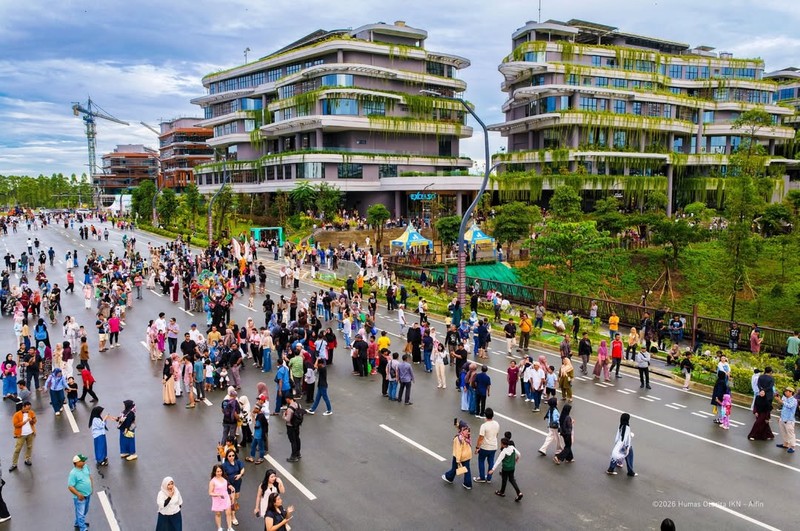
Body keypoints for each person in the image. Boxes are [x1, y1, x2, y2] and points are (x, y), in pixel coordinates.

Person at [442, 420, 473, 490]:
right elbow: (460, 427)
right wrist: (457, 424)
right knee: (467, 470)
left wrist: (458, 460)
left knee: (454, 468)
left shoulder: (458, 439)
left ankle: (449, 477)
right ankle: (468, 484)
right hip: (468, 455)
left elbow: (458, 450)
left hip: (460, 456)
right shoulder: (467, 433)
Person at [489, 436, 522, 501]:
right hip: (512, 467)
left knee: (504, 480)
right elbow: (519, 454)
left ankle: (502, 492)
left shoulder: (504, 452)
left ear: (504, 445)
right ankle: (519, 492)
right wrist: (517, 459)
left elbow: (498, 461)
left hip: (506, 468)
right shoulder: (512, 448)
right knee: (512, 479)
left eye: (501, 443)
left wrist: (492, 469)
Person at [68, 454, 93, 531]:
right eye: (82, 461)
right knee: (81, 513)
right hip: (80, 497)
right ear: (77, 463)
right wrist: (78, 494)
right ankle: (83, 528)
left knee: (84, 510)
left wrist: (91, 487)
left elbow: (90, 477)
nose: (84, 462)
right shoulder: (73, 473)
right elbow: (70, 486)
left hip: (87, 494)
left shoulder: (86, 467)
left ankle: (77, 523)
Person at [473, 408, 499, 484]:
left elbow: (481, 438)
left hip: (485, 447)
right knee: (491, 461)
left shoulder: (484, 426)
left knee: (481, 461)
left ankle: (482, 477)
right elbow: (496, 434)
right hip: (494, 446)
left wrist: (477, 447)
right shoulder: (496, 424)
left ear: (485, 415)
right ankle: (489, 477)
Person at [10, 401, 36, 471]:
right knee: (17, 449)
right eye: (27, 408)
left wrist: (31, 421)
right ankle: (14, 464)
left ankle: (27, 459)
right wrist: (25, 421)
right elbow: (16, 425)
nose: (28, 410)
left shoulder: (31, 412)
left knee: (29, 447)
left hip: (30, 433)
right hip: (21, 434)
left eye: (29, 408)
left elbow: (35, 421)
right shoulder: (17, 415)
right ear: (23, 407)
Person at [221, 449, 245, 526]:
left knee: (236, 497)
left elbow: (243, 469)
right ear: (227, 456)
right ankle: (233, 517)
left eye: (233, 455)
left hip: (237, 483)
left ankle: (232, 503)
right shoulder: (224, 465)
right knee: (233, 499)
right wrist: (228, 484)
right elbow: (223, 476)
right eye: (229, 456)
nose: (231, 457)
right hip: (229, 485)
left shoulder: (237, 462)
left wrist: (240, 474)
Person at [209, 464, 234, 531]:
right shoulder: (212, 481)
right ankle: (219, 528)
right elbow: (210, 493)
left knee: (228, 513)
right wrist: (218, 495)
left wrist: (230, 487)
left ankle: (229, 527)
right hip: (217, 499)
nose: (219, 473)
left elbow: (227, 484)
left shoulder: (224, 478)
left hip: (225, 497)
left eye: (220, 471)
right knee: (218, 514)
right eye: (217, 471)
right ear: (214, 472)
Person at [775, 387, 797, 453]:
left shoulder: (794, 400)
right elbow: (783, 409)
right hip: (783, 418)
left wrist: (781, 401)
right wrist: (780, 417)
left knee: (791, 434)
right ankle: (785, 444)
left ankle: (792, 447)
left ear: (791, 392)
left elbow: (789, 406)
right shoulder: (785, 398)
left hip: (789, 420)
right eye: (785, 391)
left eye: (787, 391)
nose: (785, 392)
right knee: (783, 432)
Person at [283, 394, 302, 462]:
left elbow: (288, 419)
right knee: (297, 438)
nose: (286, 400)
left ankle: (293, 456)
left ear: (288, 399)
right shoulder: (298, 405)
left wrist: (284, 416)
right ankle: (298, 453)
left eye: (286, 399)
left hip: (290, 426)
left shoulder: (290, 409)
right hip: (297, 425)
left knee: (293, 441)